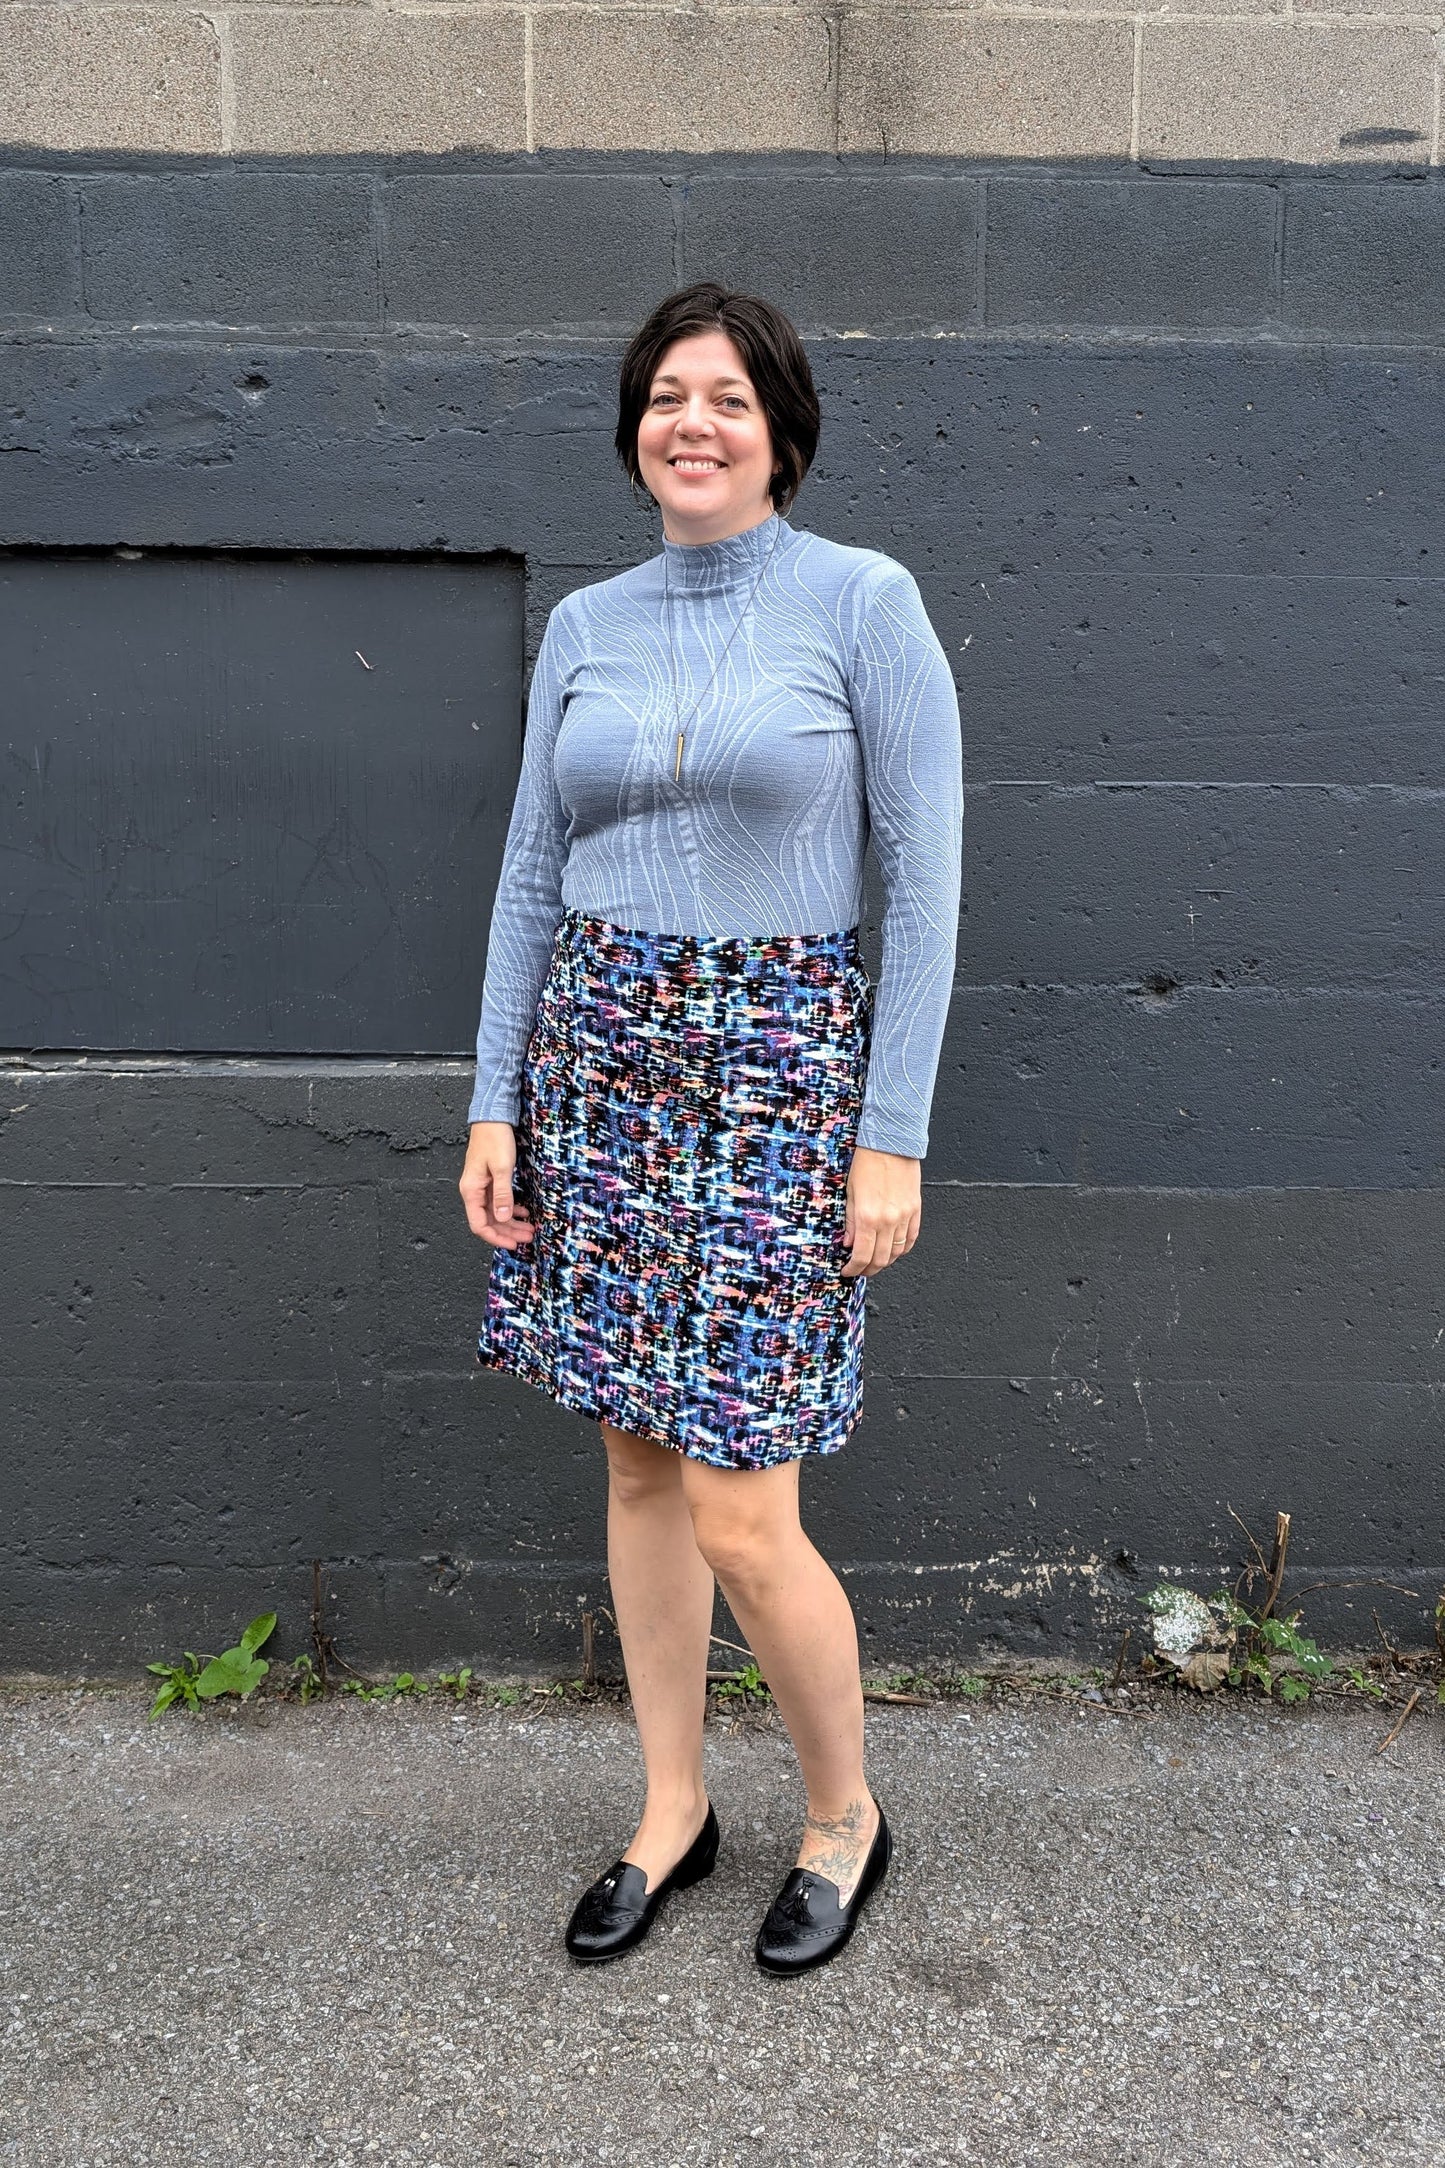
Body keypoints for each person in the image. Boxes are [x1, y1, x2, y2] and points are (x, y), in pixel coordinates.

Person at [459, 281, 963, 1975]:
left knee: (747, 1506)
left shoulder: (861, 604)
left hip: (773, 1082)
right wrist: (491, 1102)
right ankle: (673, 1806)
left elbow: (930, 878)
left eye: (729, 399)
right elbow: (532, 874)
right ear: (633, 431)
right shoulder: (588, 627)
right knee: (632, 1459)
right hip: (595, 1070)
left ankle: (842, 1814)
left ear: (781, 434)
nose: (693, 421)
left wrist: (887, 1129)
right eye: (667, 395)